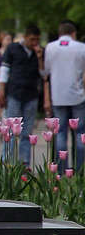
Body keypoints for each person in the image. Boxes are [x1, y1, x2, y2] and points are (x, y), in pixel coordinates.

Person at [0, 24, 47, 166]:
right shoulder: (13, 48)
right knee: (11, 132)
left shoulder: (40, 52)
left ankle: (25, 163)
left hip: (31, 96)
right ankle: (6, 161)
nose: (34, 43)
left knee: (27, 132)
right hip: (14, 94)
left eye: (37, 40)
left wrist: (39, 58)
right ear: (25, 37)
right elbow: (4, 71)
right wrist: (1, 92)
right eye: (32, 39)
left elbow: (44, 75)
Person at [44, 20, 85, 172]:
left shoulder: (50, 47)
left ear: (60, 33)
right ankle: (80, 171)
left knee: (60, 133)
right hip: (77, 96)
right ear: (73, 33)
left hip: (58, 96)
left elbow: (46, 71)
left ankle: (61, 171)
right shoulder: (81, 47)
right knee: (80, 134)